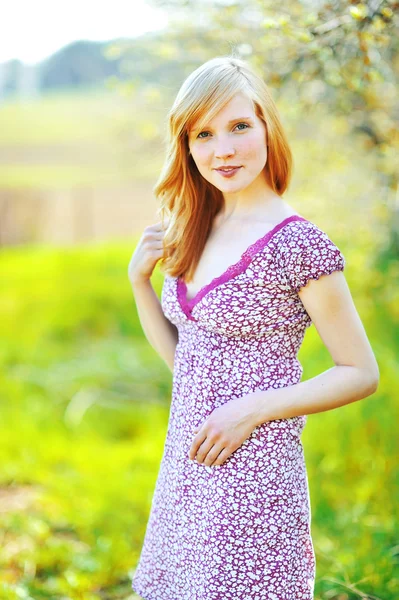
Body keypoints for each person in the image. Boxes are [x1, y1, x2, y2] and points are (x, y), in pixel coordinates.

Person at [127, 55, 379, 600]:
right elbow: (189, 361)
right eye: (204, 133)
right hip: (189, 467)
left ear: (267, 126)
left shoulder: (298, 245)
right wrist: (140, 284)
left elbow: (361, 372)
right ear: (187, 145)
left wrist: (252, 408)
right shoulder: (196, 225)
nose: (224, 149)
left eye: (240, 126)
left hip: (254, 476)